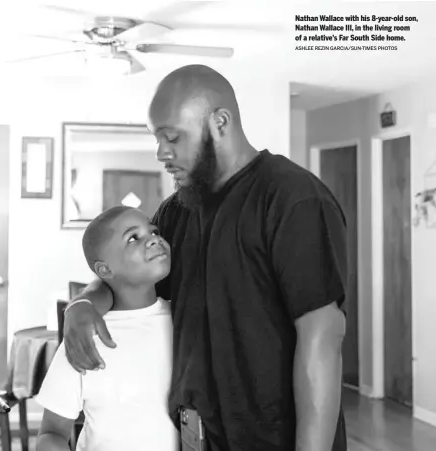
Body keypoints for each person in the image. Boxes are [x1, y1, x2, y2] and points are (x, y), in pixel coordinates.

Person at [61, 64, 348, 451]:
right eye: (157, 138)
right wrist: (82, 304)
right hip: (196, 436)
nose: (161, 152)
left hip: (271, 439)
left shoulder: (292, 198)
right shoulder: (175, 213)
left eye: (172, 137)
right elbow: (121, 279)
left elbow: (322, 339)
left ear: (220, 122)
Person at [35, 206, 178, 451]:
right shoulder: (83, 338)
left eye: (153, 231)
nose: (153, 239)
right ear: (104, 270)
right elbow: (52, 433)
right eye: (134, 238)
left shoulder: (184, 319)